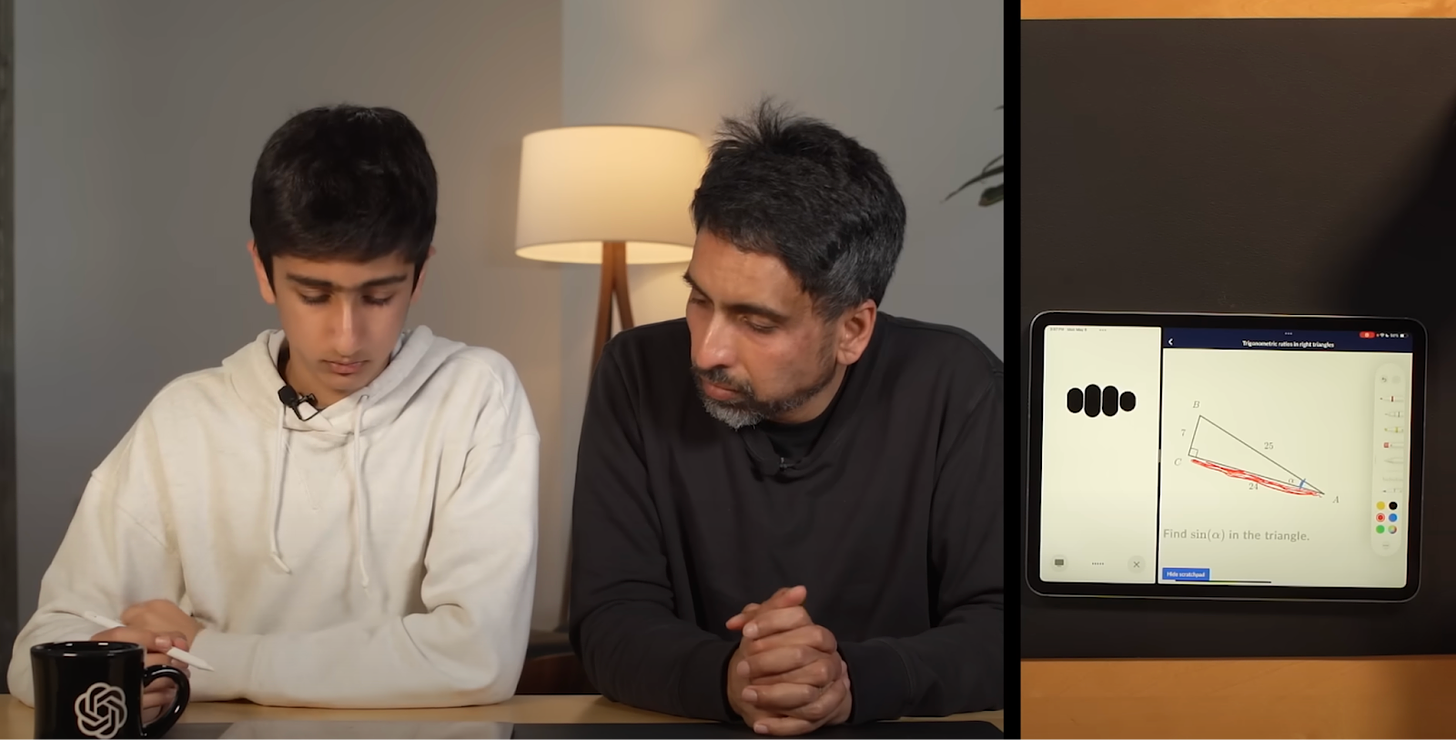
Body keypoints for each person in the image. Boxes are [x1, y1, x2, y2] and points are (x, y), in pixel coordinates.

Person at [7, 104, 540, 714]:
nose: (346, 336)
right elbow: (42, 649)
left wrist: (207, 658)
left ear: (420, 277)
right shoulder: (187, 418)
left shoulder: (475, 397)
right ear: (263, 269)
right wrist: (120, 673)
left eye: (379, 295)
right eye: (314, 295)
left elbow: (478, 661)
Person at [568, 99, 1004, 736]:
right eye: (698, 298)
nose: (708, 350)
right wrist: (731, 678)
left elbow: (1001, 624)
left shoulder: (957, 384)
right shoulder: (633, 372)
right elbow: (610, 619)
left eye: (757, 321)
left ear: (853, 329)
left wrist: (852, 681)